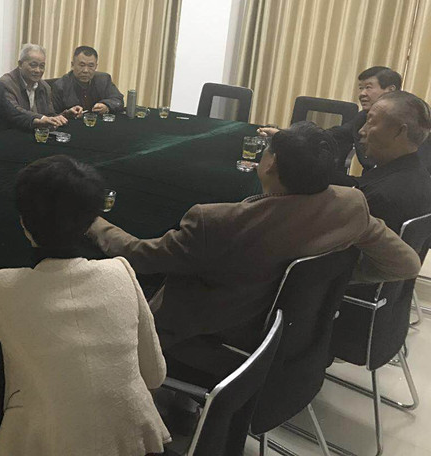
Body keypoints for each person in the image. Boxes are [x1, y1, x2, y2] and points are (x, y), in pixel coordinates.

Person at [87, 122, 420, 385]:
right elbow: (406, 264)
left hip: (215, 339)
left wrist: (92, 222)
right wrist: (323, 279)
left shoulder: (217, 221)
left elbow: (140, 256)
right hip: (295, 340)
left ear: (271, 163)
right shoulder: (350, 205)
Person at [0, 155, 170, 456]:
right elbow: (155, 374)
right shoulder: (120, 272)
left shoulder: (1, 289)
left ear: (23, 223)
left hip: (47, 443)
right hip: (132, 442)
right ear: (91, 221)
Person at [345, 91, 431, 234]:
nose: (361, 130)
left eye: (370, 122)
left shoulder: (378, 197)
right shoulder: (422, 178)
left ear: (399, 131)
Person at [0, 43, 81, 130]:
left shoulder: (45, 87)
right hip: (13, 131)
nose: (38, 70)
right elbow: (15, 111)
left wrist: (66, 115)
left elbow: (50, 116)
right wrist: (42, 118)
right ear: (20, 64)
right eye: (33, 65)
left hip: (37, 133)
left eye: (42, 66)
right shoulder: (6, 83)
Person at [52, 46, 124, 115]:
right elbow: (53, 116)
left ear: (96, 66)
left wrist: (106, 106)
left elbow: (118, 100)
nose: (86, 70)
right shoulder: (60, 86)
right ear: (72, 65)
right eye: (82, 65)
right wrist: (67, 113)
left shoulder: (104, 80)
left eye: (90, 66)